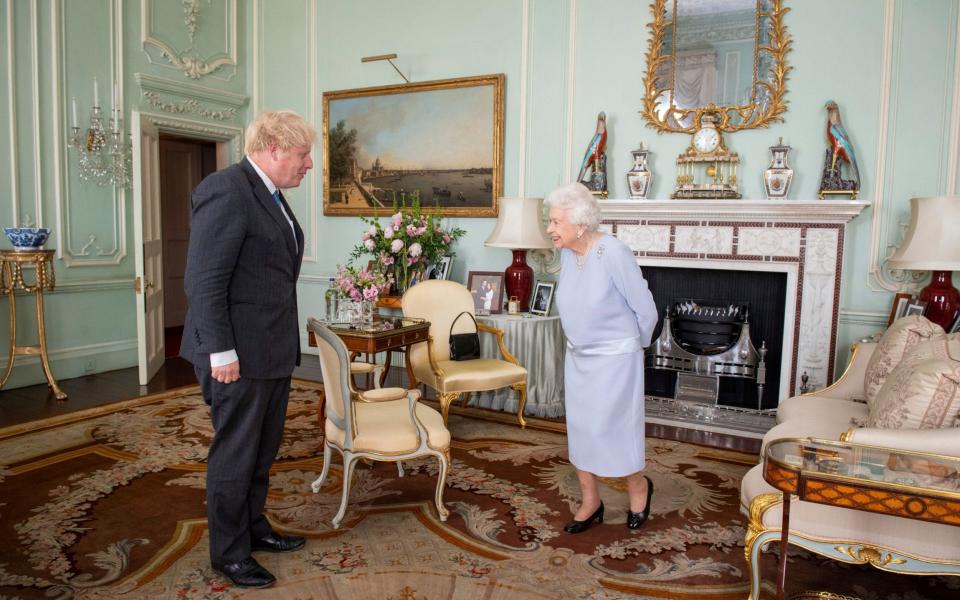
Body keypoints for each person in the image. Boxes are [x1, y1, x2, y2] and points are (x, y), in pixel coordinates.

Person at [180, 110, 314, 588]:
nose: (309, 164)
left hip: (270, 351)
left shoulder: (270, 195)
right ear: (274, 148)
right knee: (235, 455)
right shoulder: (227, 190)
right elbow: (203, 281)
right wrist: (220, 353)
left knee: (261, 452)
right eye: (303, 154)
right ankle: (229, 554)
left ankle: (254, 529)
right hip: (235, 355)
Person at [544, 182, 658, 533]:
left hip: (615, 361)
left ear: (580, 224)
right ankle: (591, 500)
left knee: (615, 431)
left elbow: (646, 309)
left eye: (555, 222)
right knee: (581, 431)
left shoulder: (613, 252)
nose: (550, 229)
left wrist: (631, 348)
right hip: (579, 358)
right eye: (550, 222)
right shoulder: (567, 252)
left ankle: (638, 486)